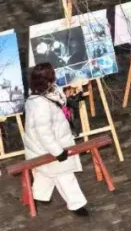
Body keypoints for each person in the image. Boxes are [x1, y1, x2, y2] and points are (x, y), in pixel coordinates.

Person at [23, 63, 89, 217]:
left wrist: (69, 100)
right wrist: (58, 152)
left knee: (45, 173)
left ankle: (39, 195)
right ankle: (77, 204)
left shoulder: (40, 96)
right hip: (47, 149)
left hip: (41, 147)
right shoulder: (41, 105)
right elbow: (44, 133)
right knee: (65, 176)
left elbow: (57, 102)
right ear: (47, 80)